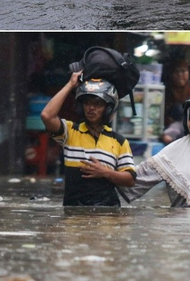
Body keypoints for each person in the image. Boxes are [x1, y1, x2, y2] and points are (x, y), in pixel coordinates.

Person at [41, 72, 136, 206]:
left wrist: (105, 172)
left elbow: (130, 179)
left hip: (108, 215)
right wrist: (70, 85)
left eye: (97, 103)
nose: (91, 108)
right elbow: (47, 116)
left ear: (108, 108)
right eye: (87, 102)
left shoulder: (119, 141)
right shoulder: (70, 131)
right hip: (73, 215)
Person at [162, 54, 190, 143]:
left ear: (188, 72)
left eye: (183, 71)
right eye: (176, 72)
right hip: (173, 127)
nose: (180, 75)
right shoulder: (167, 89)